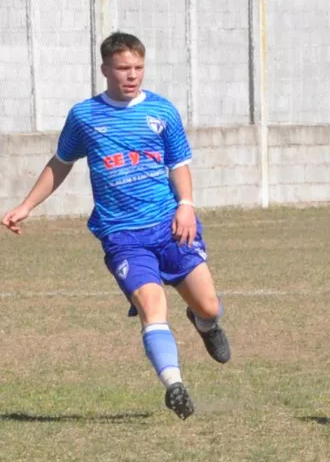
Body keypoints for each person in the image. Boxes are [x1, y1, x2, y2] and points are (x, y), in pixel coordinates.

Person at [2, 32, 231, 420]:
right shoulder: (84, 116)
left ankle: (205, 325)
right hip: (122, 235)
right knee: (151, 306)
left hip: (170, 225)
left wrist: (187, 207)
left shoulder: (162, 112)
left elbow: (178, 164)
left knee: (208, 306)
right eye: (124, 68)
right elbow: (61, 163)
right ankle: (174, 385)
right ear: (105, 68)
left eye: (138, 68)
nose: (132, 76)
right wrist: (26, 205)